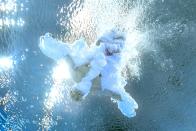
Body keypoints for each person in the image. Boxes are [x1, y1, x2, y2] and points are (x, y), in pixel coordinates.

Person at [39, 29, 138, 118]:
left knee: (110, 44)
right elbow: (66, 56)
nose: (80, 92)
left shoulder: (91, 87)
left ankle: (121, 34)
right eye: (77, 93)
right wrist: (49, 44)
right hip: (103, 55)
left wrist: (125, 102)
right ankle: (119, 34)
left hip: (105, 57)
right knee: (106, 44)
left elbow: (113, 93)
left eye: (79, 94)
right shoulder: (79, 78)